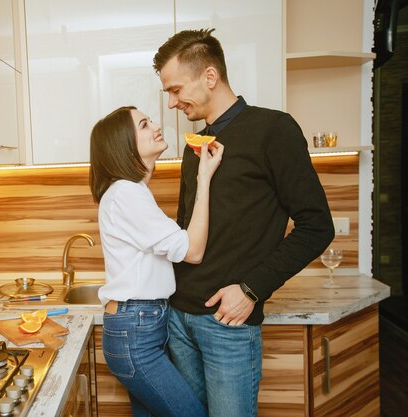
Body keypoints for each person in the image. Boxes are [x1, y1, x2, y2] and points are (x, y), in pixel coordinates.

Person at [152, 28, 335, 417]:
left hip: (227, 323)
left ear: (210, 77)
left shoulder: (275, 130)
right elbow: (189, 234)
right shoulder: (195, 148)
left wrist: (251, 289)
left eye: (175, 89)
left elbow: (317, 226)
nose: (171, 103)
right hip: (177, 318)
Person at [89, 105, 223, 417]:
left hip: (139, 326)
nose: (156, 126)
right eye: (145, 125)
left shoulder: (131, 191)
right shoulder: (126, 194)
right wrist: (204, 179)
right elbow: (192, 251)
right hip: (135, 331)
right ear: (124, 144)